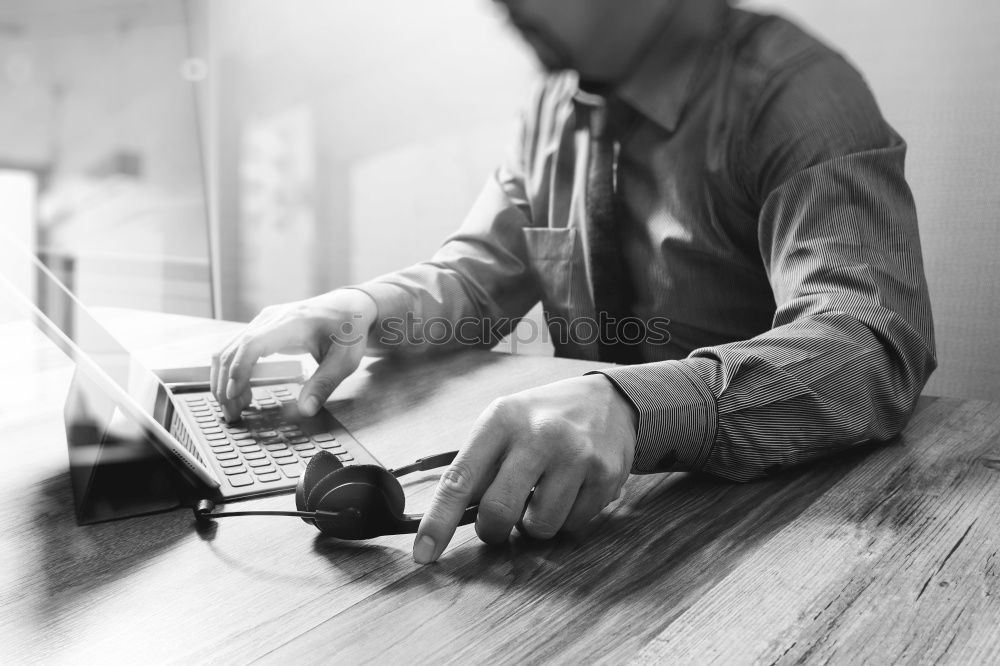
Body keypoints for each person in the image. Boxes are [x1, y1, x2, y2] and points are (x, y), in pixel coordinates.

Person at [211, 0, 936, 564]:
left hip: (776, 538)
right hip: (580, 534)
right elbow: (472, 281)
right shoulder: (552, 110)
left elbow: (871, 344)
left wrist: (630, 405)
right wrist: (363, 310)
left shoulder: (798, 94)